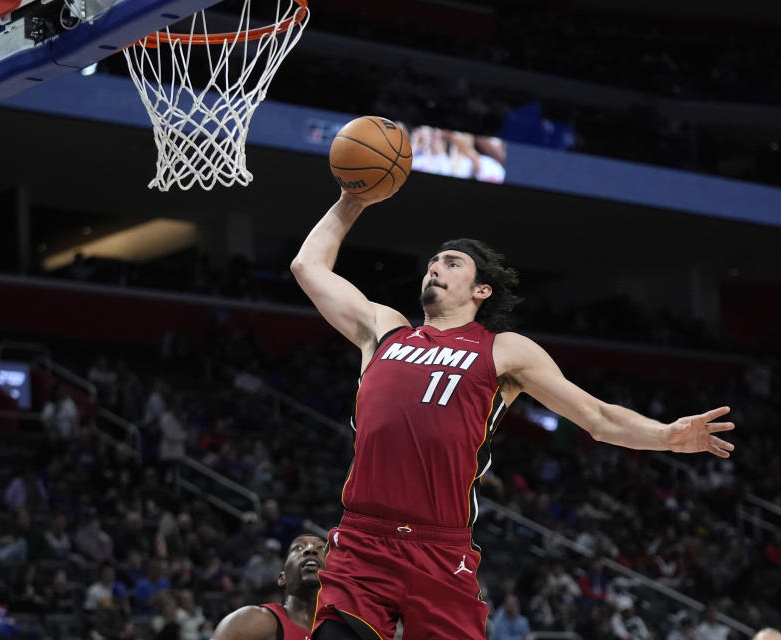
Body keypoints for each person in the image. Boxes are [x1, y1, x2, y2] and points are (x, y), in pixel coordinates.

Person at [290, 189, 737, 640]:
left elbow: (597, 417)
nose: (434, 267)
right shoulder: (384, 330)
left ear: (481, 289)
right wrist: (352, 199)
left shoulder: (503, 350)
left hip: (442, 551)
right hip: (364, 542)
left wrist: (666, 436)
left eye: (451, 262)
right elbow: (307, 267)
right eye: (431, 262)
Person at [213, 534, 325, 640]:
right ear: (282, 578)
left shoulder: (339, 629)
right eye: (299, 548)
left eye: (320, 548)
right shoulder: (254, 620)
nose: (311, 550)